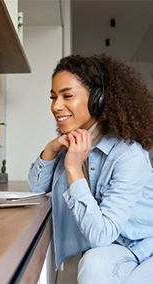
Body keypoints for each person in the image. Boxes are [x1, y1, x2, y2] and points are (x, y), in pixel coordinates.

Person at [28, 54, 153, 283]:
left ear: (98, 99)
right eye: (53, 97)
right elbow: (36, 186)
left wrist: (74, 169)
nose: (56, 106)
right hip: (117, 247)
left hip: (147, 247)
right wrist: (50, 149)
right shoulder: (74, 144)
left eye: (67, 96)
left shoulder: (129, 156)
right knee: (94, 262)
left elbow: (100, 235)